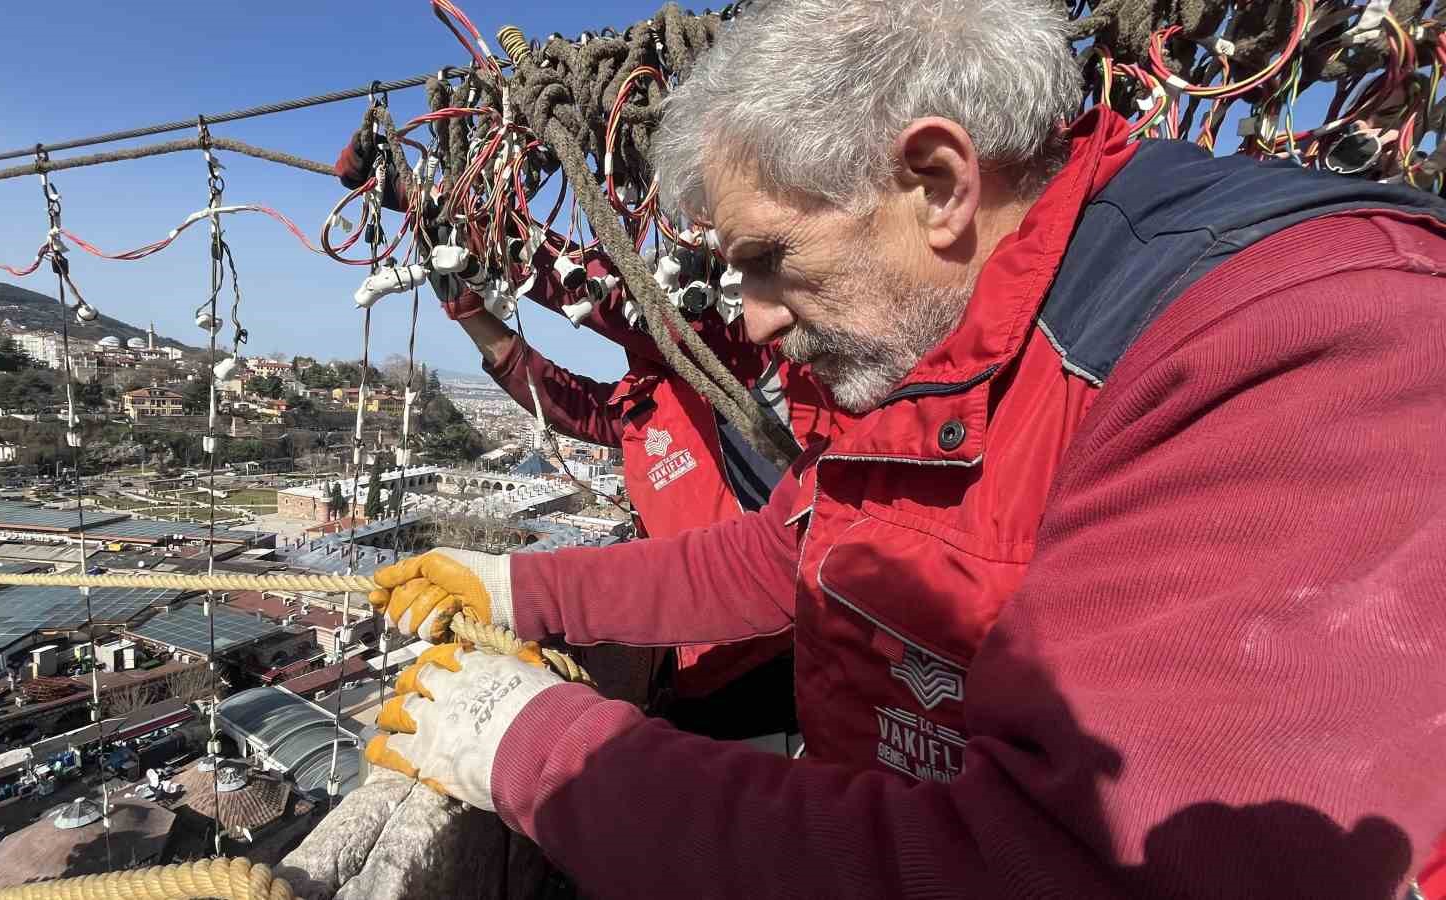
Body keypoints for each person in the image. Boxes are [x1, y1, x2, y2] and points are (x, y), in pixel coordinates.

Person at [362, 0, 1446, 895]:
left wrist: (537, 750)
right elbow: (787, 552)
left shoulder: (1297, 345)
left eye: (768, 260)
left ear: (935, 184)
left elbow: (1059, 868)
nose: (751, 321)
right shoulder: (931, 344)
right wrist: (514, 588)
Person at [335, 134, 856, 731]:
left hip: (783, 643)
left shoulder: (728, 352)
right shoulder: (646, 401)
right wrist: (469, 311)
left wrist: (442, 211)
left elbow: (614, 298)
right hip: (700, 660)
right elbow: (567, 403)